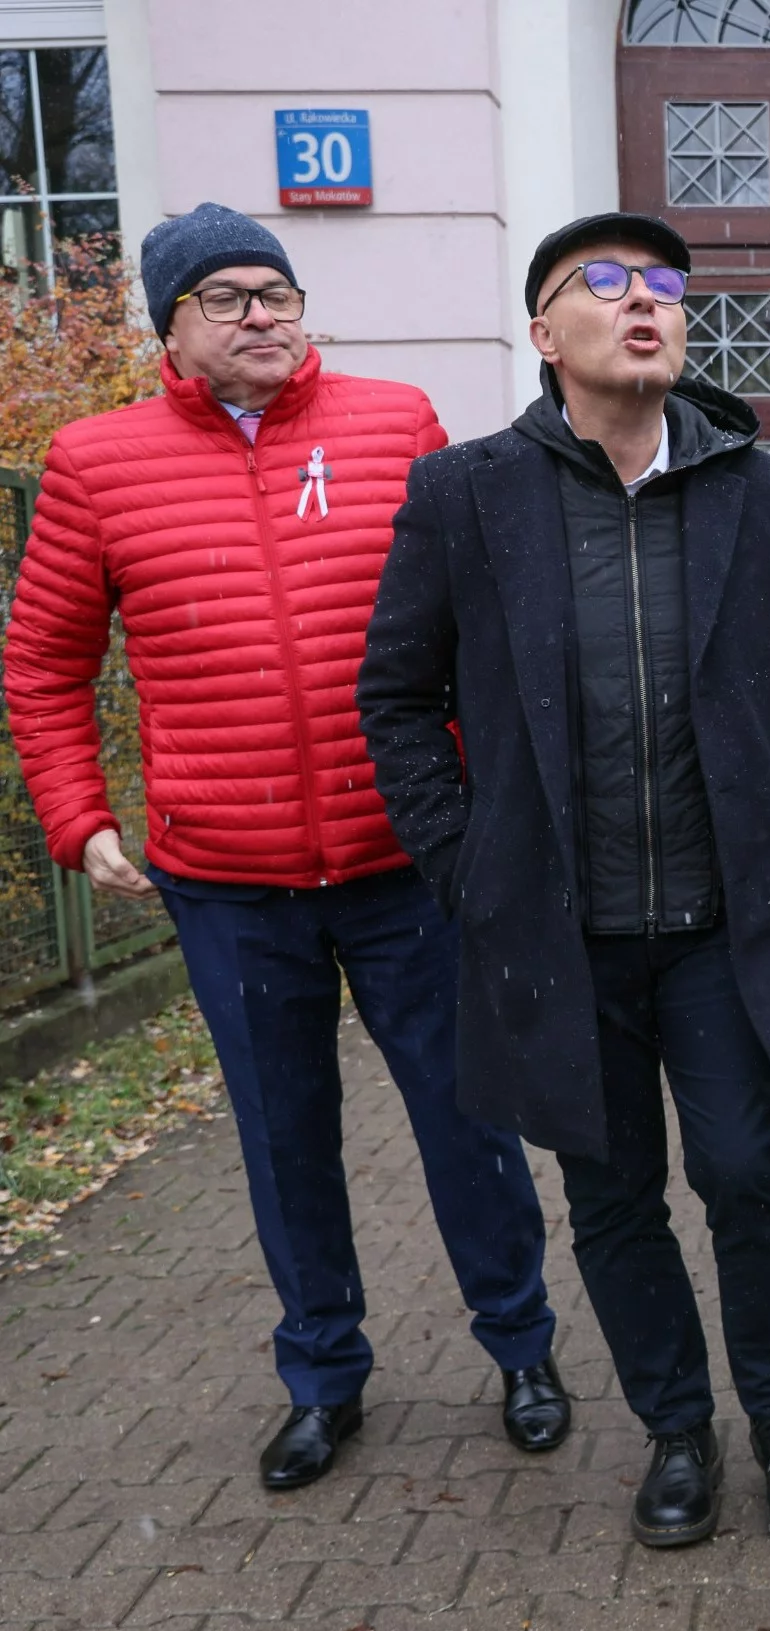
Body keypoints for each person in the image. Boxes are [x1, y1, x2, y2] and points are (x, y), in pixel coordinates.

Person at [1, 204, 567, 1490]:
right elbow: (41, 662)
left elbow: (475, 628)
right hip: (228, 880)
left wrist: (487, 808)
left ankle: (522, 1349)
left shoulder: (394, 423)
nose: (262, 314)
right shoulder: (96, 462)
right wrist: (78, 816)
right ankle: (324, 1373)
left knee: (470, 1120)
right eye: (226, 298)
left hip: (406, 863)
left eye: (277, 290)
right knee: (284, 1134)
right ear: (172, 328)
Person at [357, 212, 770, 1551]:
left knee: (752, 1173)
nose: (647, 304)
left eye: (664, 287)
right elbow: (397, 698)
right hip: (556, 934)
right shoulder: (467, 494)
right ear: (544, 333)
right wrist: (465, 866)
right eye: (608, 285)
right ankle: (676, 1429)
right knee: (613, 1193)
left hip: (719, 927)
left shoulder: (753, 485)